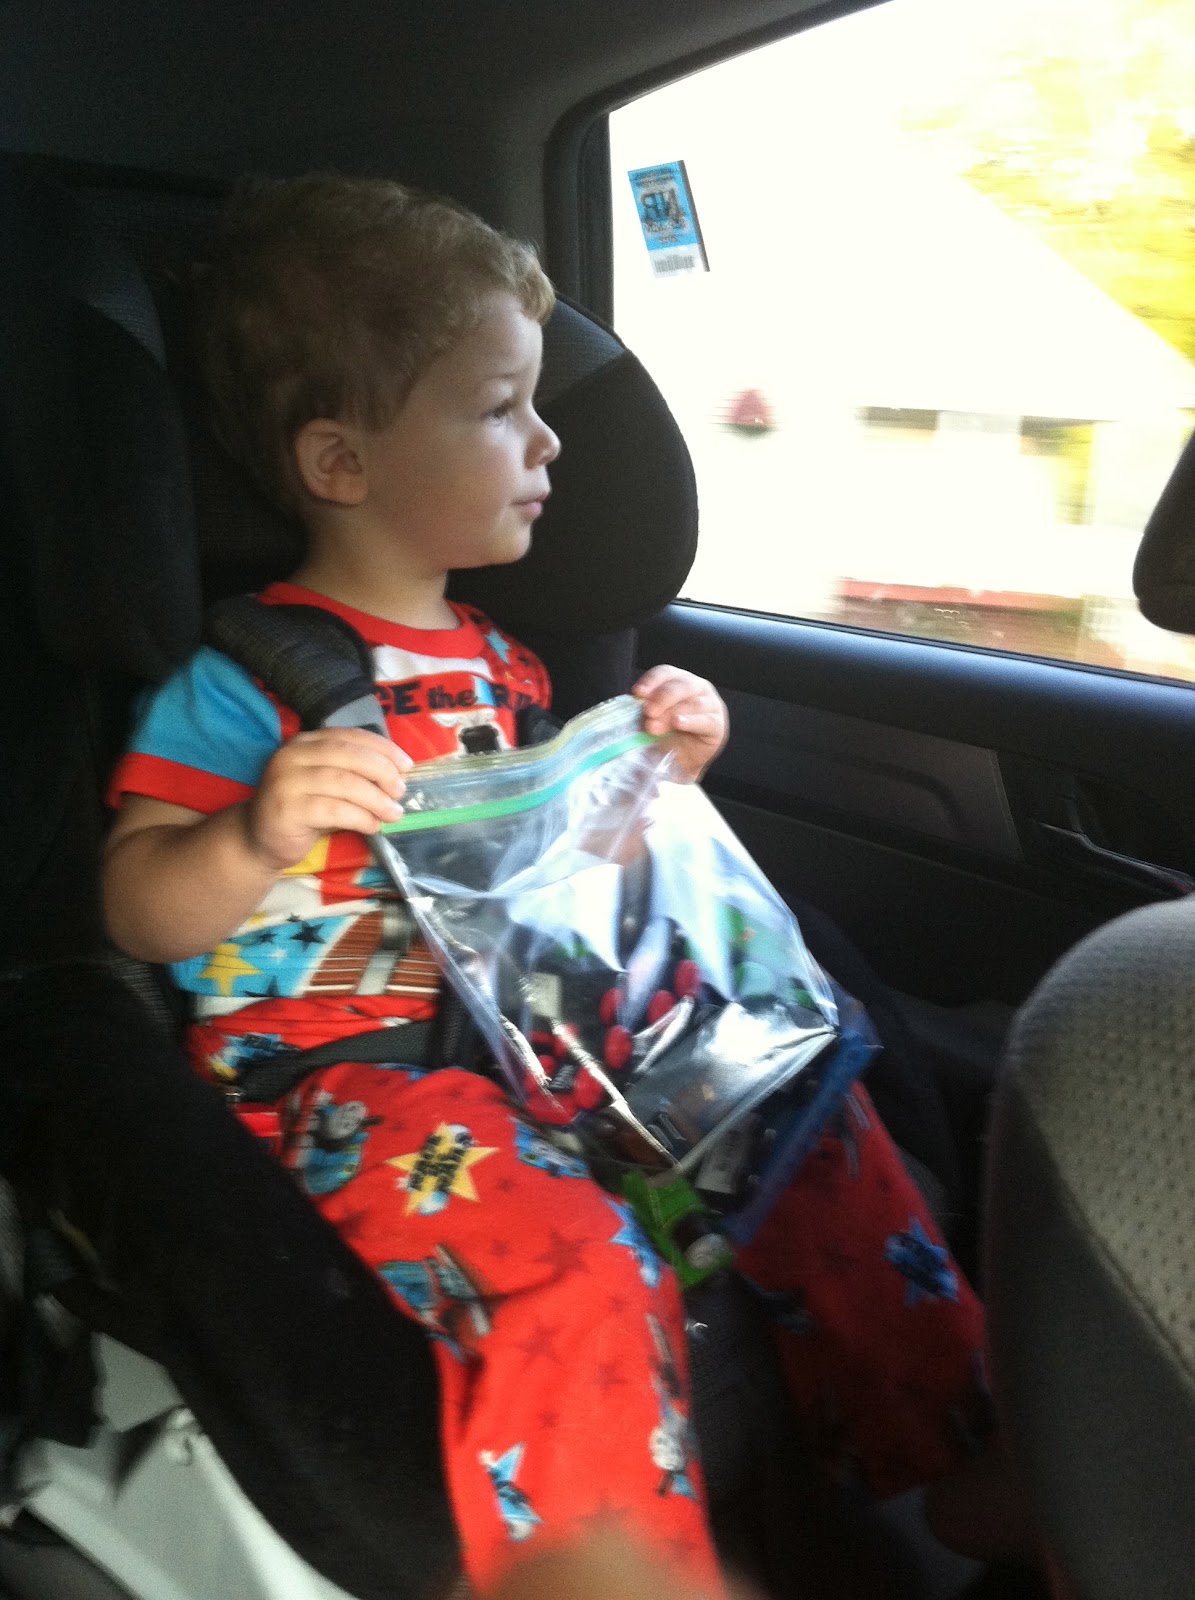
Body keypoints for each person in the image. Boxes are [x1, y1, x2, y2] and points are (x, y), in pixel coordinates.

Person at [102, 175, 992, 1595]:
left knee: (807, 1119)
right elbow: (133, 911)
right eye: (499, 406)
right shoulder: (243, 679)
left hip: (554, 1037)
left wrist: (657, 776)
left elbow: (570, 887)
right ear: (342, 461)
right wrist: (250, 838)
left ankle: (961, 1454)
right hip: (353, 1081)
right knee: (577, 1250)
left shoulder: (511, 670)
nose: (549, 438)